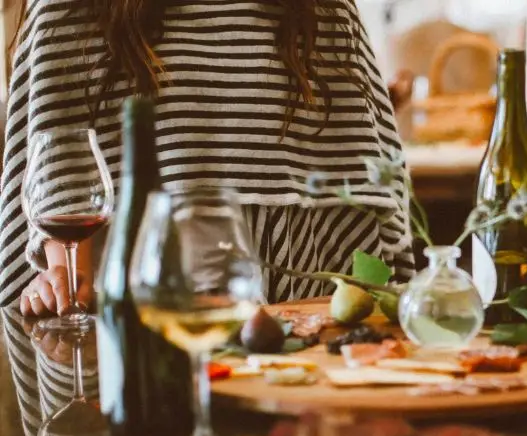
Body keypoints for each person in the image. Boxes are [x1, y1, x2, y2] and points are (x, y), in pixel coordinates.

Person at [3, 0, 416, 317]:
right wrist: (65, 284)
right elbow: (61, 191)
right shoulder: (68, 9)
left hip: (301, 310)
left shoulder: (321, 8)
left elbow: (372, 192)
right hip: (136, 326)